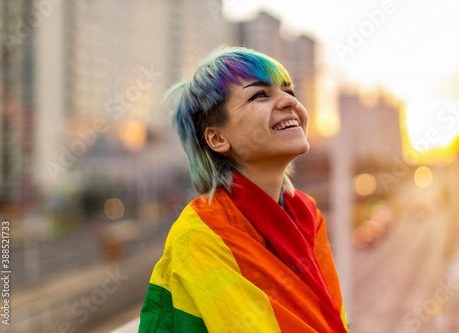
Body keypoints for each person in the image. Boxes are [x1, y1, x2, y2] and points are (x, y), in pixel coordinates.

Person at [139, 47, 348, 332]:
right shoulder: (200, 236)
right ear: (217, 138)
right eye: (259, 95)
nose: (289, 101)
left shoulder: (307, 214)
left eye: (290, 91)